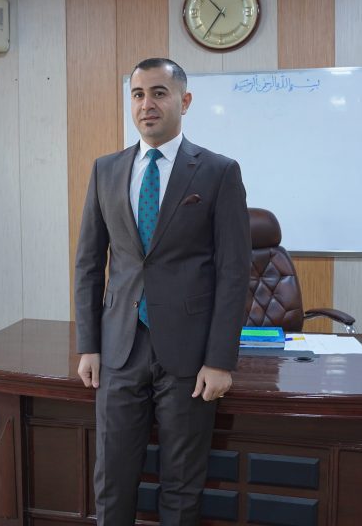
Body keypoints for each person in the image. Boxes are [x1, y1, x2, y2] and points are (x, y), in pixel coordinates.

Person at [74, 58, 251, 525]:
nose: (146, 104)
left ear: (184, 101)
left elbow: (234, 272)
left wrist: (220, 360)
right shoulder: (106, 170)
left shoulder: (218, 171)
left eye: (159, 93)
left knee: (182, 484)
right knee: (112, 479)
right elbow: (89, 264)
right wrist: (88, 344)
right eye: (138, 94)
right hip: (119, 349)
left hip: (190, 355)